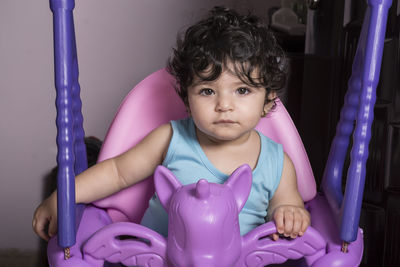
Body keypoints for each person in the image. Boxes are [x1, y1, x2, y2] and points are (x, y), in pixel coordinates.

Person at [33, 6, 310, 242]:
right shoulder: (171, 139)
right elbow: (117, 173)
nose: (224, 104)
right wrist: (63, 197)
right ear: (187, 99)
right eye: (207, 91)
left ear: (268, 99)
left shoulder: (277, 161)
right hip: (160, 256)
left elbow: (287, 205)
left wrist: (288, 213)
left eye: (242, 91)